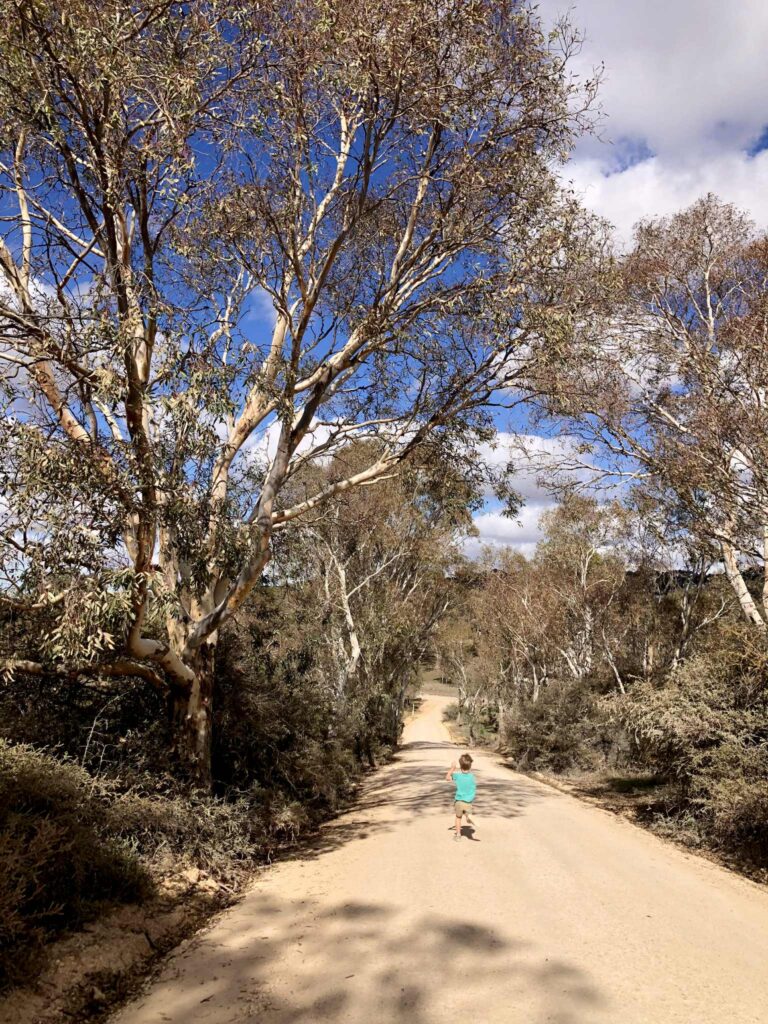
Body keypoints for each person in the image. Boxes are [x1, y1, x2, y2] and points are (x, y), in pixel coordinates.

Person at [446, 752, 476, 841]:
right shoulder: (472, 777)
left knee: (458, 818)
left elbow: (447, 778)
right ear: (470, 766)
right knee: (467, 813)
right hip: (468, 802)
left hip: (459, 801)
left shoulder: (457, 776)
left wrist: (452, 768)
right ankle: (468, 816)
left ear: (460, 766)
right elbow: (473, 787)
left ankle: (458, 835)